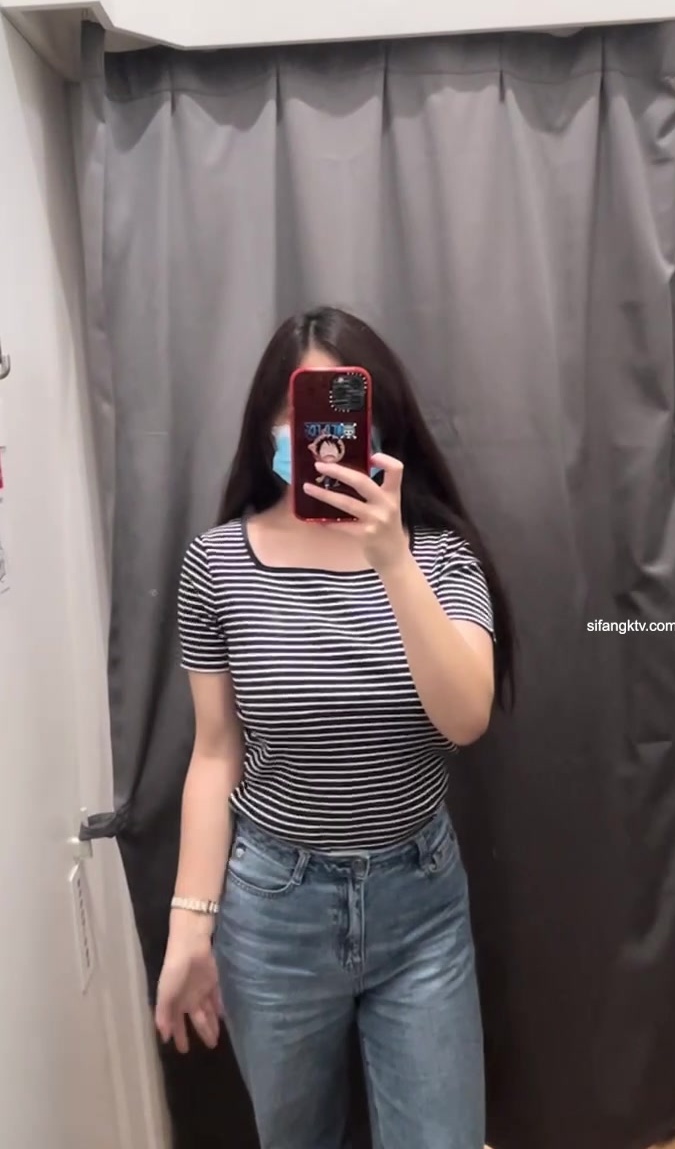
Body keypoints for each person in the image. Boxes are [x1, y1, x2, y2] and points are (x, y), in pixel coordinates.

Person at [155, 306, 515, 1149]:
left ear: (378, 425)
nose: (315, 434)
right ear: (265, 426)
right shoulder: (217, 564)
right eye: (297, 411)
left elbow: (466, 716)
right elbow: (214, 753)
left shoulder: (440, 556)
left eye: (339, 408)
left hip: (420, 902)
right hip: (273, 909)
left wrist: (391, 556)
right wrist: (189, 923)